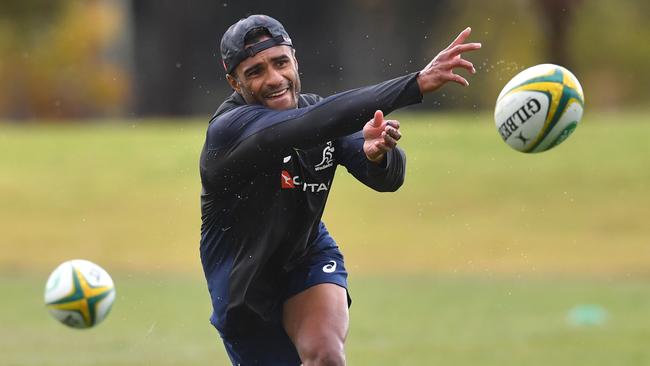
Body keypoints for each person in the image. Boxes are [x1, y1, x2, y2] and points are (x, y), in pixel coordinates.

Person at [199, 14, 481, 366]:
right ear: (234, 83)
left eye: (280, 62)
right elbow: (314, 124)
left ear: (295, 60)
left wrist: (377, 155)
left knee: (326, 356)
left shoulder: (316, 112)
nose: (274, 79)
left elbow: (389, 178)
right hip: (245, 286)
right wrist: (416, 83)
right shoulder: (229, 131)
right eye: (255, 71)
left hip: (307, 254)